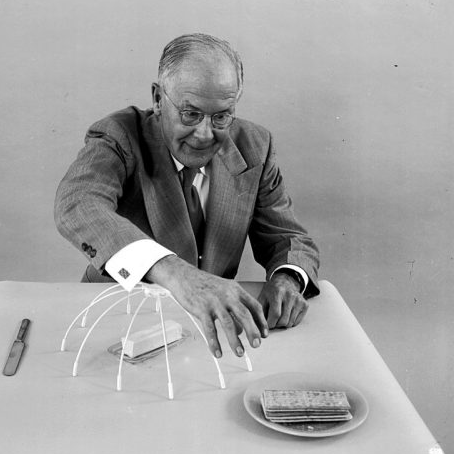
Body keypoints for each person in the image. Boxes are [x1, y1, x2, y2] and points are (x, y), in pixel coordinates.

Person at [54, 33, 320, 360]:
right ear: (157, 98)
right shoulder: (119, 135)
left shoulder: (256, 146)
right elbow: (78, 202)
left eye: (221, 116)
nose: (206, 134)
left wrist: (288, 278)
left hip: (206, 331)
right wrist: (176, 274)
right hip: (113, 320)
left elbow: (287, 236)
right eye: (190, 114)